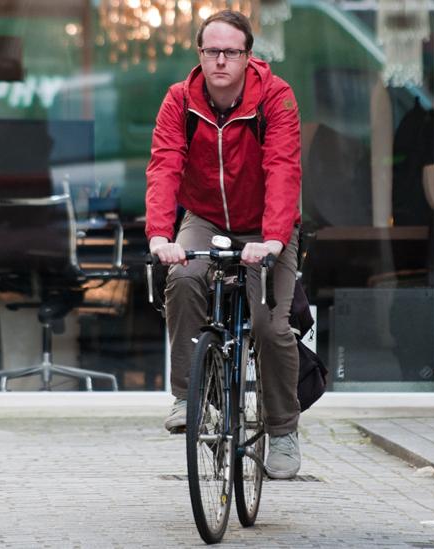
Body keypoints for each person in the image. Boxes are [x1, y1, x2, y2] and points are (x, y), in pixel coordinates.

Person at [145, 10, 303, 479]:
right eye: (211, 51)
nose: (220, 60)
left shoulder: (276, 97)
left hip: (266, 226)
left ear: (248, 56)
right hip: (206, 216)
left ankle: (282, 429)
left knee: (270, 325)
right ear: (199, 54)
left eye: (230, 52)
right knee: (185, 277)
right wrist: (159, 235)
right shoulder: (179, 101)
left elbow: (283, 168)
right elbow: (164, 165)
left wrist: (273, 240)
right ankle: (185, 397)